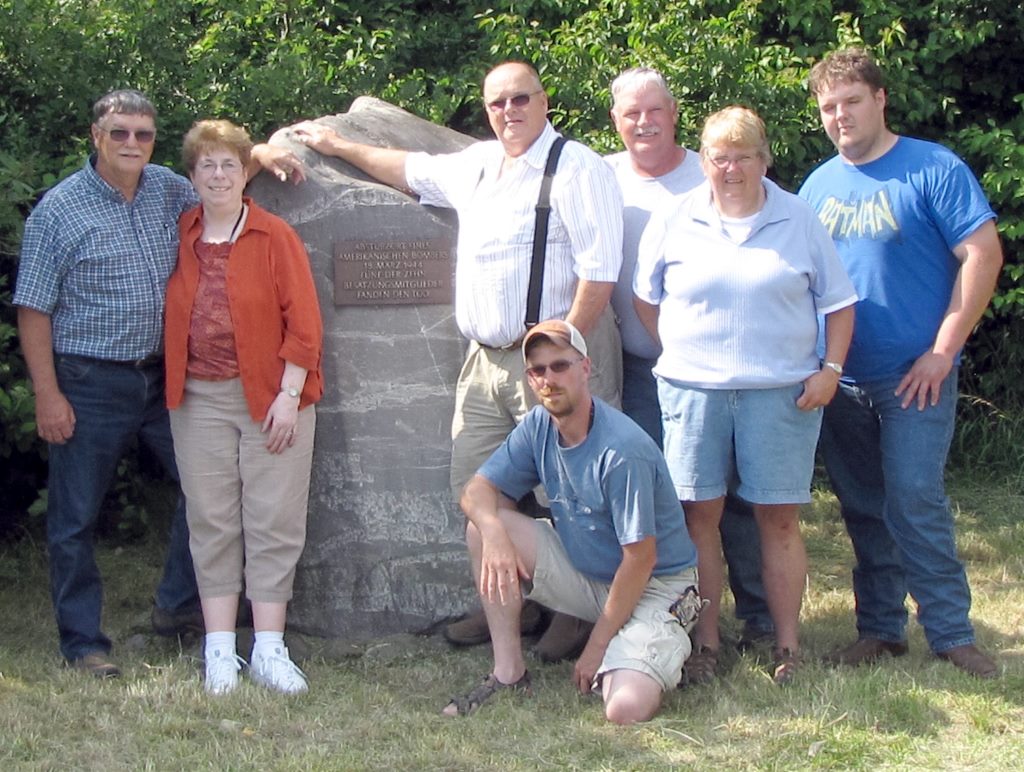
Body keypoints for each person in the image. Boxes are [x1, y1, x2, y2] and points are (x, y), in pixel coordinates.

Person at [289, 61, 624, 658]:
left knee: (566, 494)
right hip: (483, 362)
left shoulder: (576, 167)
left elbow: (599, 271)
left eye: (521, 98)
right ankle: (507, 606)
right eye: (497, 103)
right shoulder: (476, 166)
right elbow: (407, 169)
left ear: (544, 101)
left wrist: (563, 353)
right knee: (478, 491)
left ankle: (571, 614)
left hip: (547, 361)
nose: (509, 111)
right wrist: (337, 145)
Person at [14, 89, 305, 678]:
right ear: (96, 135)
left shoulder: (169, 189)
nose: (131, 144)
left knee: (206, 495)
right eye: (119, 132)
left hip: (166, 381)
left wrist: (269, 152)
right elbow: (33, 309)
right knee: (74, 517)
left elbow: (222, 173)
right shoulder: (59, 211)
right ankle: (83, 643)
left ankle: (177, 609)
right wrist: (48, 393)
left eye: (143, 135)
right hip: (89, 380)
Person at [634, 106, 857, 684]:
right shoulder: (674, 217)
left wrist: (831, 368)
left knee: (778, 520)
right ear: (702, 159)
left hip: (780, 395)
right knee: (696, 518)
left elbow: (838, 303)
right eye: (718, 156)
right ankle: (705, 644)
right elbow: (646, 299)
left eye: (744, 156)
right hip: (694, 393)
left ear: (764, 159)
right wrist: (683, 353)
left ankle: (786, 647)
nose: (730, 168)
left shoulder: (799, 217)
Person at [799, 48, 1003, 678]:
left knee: (914, 498)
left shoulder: (932, 167)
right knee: (862, 504)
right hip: (843, 377)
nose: (840, 116)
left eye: (851, 102)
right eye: (829, 107)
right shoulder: (816, 186)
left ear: (879, 99)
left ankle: (950, 632)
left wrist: (944, 351)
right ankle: (881, 629)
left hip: (916, 375)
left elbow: (983, 255)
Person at [445, 319, 700, 724]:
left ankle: (656, 646)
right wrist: (493, 531)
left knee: (624, 708)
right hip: (591, 576)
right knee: (482, 526)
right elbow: (476, 492)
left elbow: (641, 559)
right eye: (538, 370)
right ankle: (509, 673)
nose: (549, 378)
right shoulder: (538, 426)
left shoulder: (622, 449)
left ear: (586, 368)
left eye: (560, 366)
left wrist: (597, 646)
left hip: (654, 586)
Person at [605, 66, 774, 656]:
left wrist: (677, 347)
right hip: (635, 370)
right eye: (632, 113)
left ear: (675, 115)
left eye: (656, 110)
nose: (645, 122)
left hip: (718, 373)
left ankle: (758, 617)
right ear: (616, 121)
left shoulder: (706, 172)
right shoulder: (601, 177)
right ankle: (679, 621)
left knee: (741, 503)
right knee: (668, 503)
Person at [164, 120, 323, 695]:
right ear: (192, 176)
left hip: (272, 398)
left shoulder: (274, 235)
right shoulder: (181, 231)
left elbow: (304, 323)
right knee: (211, 523)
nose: (218, 174)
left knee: (273, 521)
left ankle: (269, 649)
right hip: (197, 399)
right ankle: (219, 649)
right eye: (206, 165)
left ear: (244, 172)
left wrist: (287, 395)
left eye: (229, 163)